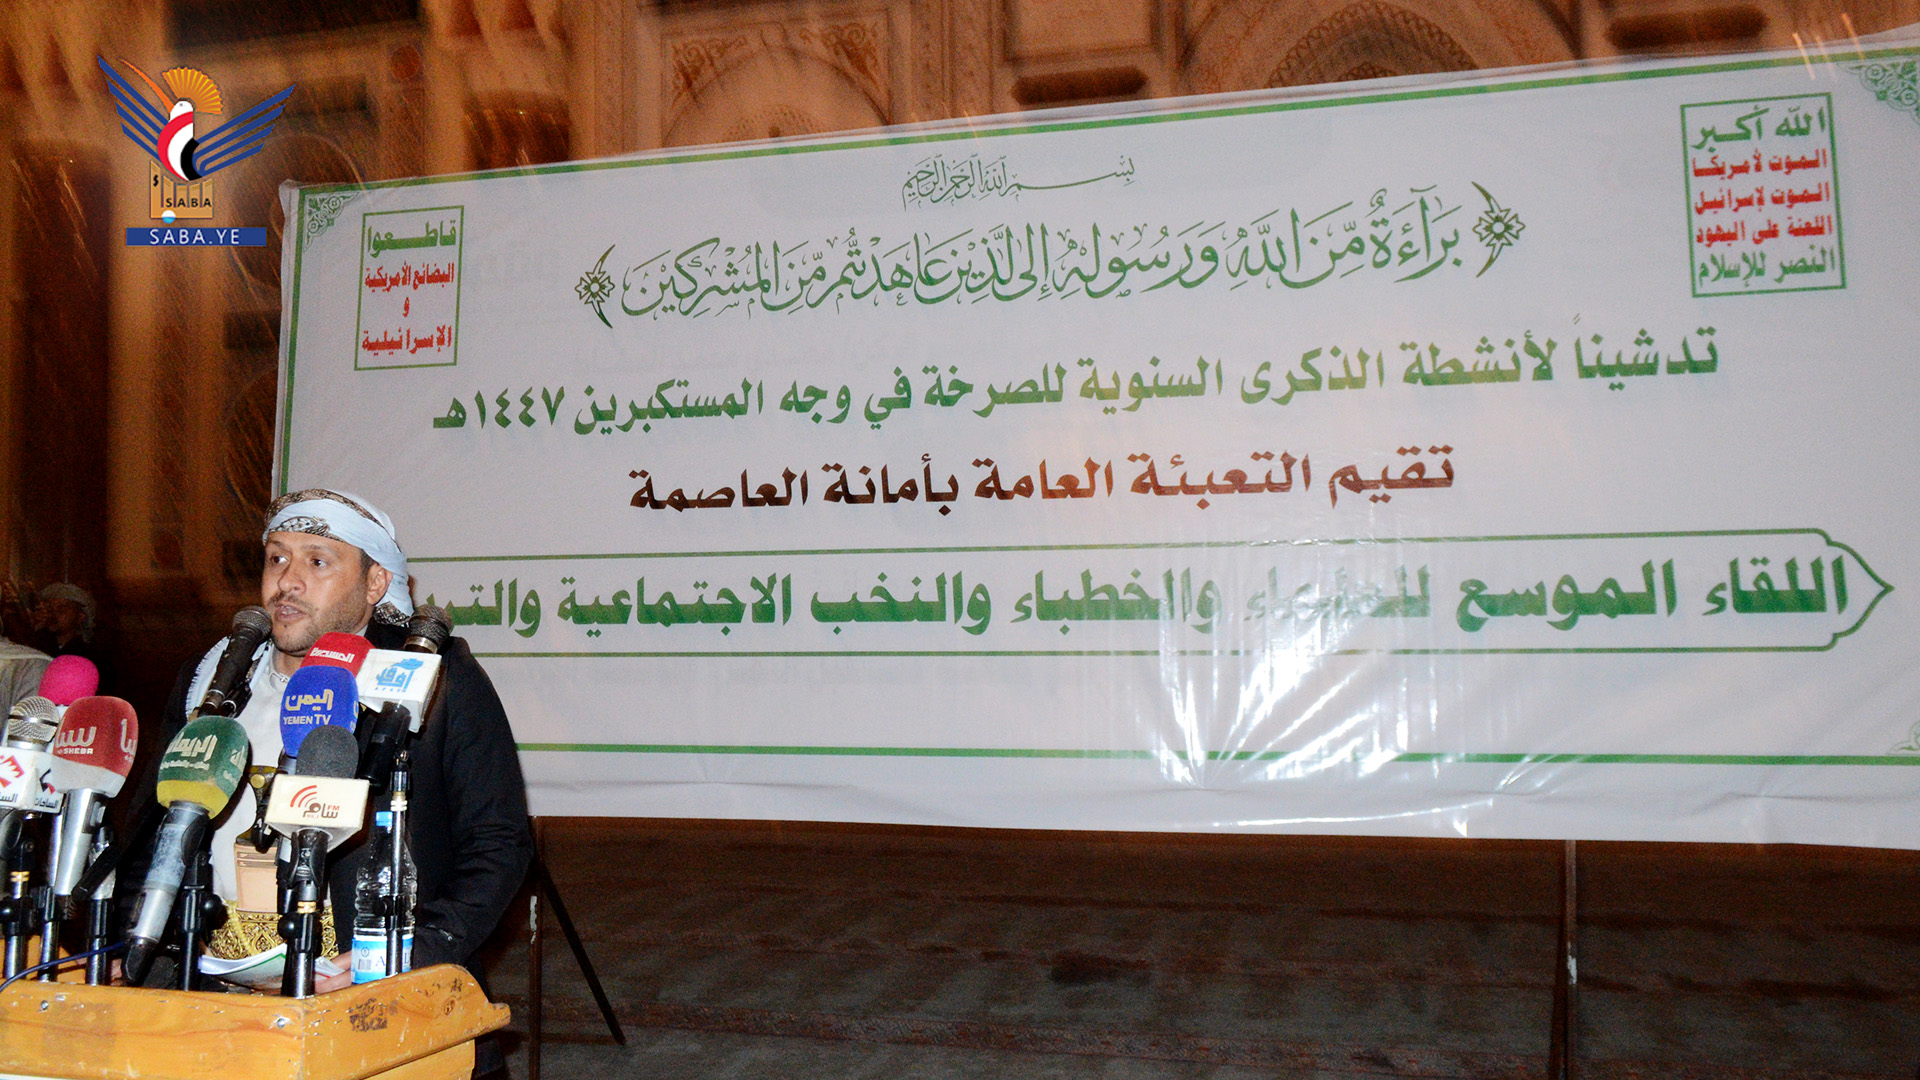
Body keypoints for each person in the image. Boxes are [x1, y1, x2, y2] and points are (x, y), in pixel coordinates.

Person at [140, 490, 531, 1041]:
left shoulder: (433, 677)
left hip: (373, 995)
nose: (287, 582)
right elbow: (153, 828)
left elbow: (499, 842)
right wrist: (141, 942)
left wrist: (415, 950)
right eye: (276, 558)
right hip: (212, 998)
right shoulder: (211, 678)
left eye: (317, 561)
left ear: (374, 583)